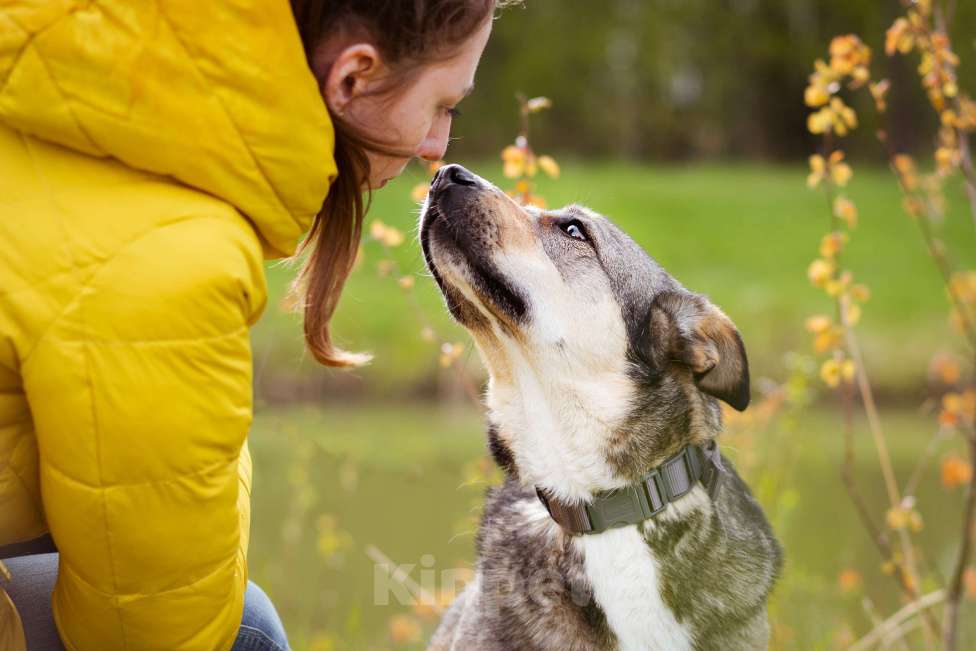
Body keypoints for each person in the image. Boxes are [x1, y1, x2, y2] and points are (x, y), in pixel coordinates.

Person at [0, 1, 510, 649]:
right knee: (249, 629)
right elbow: (152, 633)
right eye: (443, 105)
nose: (437, 148)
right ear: (353, 76)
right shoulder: (171, 255)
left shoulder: (65, 57)